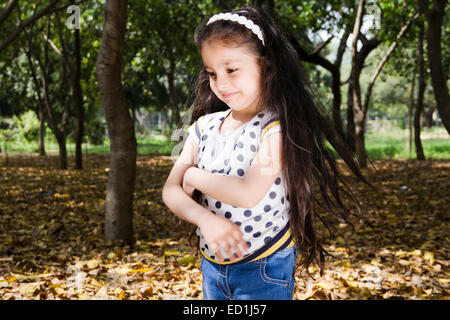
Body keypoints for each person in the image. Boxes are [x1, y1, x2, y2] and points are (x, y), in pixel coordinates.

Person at [162, 6, 367, 300]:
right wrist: (204, 220)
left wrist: (193, 174)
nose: (221, 83)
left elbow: (247, 192)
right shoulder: (204, 127)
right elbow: (170, 189)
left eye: (231, 69)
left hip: (264, 267)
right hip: (213, 267)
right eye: (212, 73)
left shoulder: (275, 129)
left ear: (266, 67)